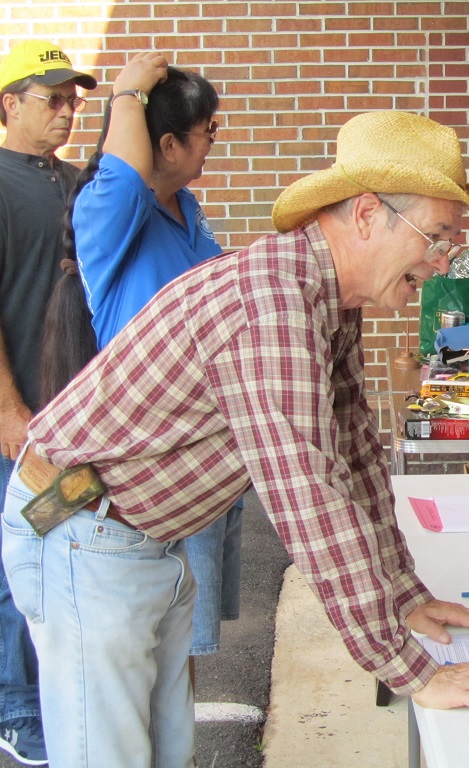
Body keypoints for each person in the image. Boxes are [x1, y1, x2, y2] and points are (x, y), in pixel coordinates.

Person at [2, 110, 469, 768]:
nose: (444, 259)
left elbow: (357, 456)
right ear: (367, 215)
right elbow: (309, 498)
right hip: (81, 529)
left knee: (167, 751)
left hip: (133, 534)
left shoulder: (326, 297)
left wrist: (404, 594)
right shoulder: (275, 305)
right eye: (437, 235)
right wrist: (412, 671)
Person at [37, 51, 244, 666]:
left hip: (201, 446)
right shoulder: (113, 210)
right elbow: (125, 173)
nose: (214, 141)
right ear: (170, 142)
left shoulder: (188, 209)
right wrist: (126, 91)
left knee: (183, 643)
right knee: (153, 647)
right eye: (207, 131)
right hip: (150, 454)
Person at [0, 39, 95, 766]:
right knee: (19, 570)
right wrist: (7, 408)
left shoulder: (74, 184)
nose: (66, 111)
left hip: (75, 419)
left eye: (73, 99)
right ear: (8, 105)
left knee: (65, 556)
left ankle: (57, 697)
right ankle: (17, 709)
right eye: (51, 98)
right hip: (20, 420)